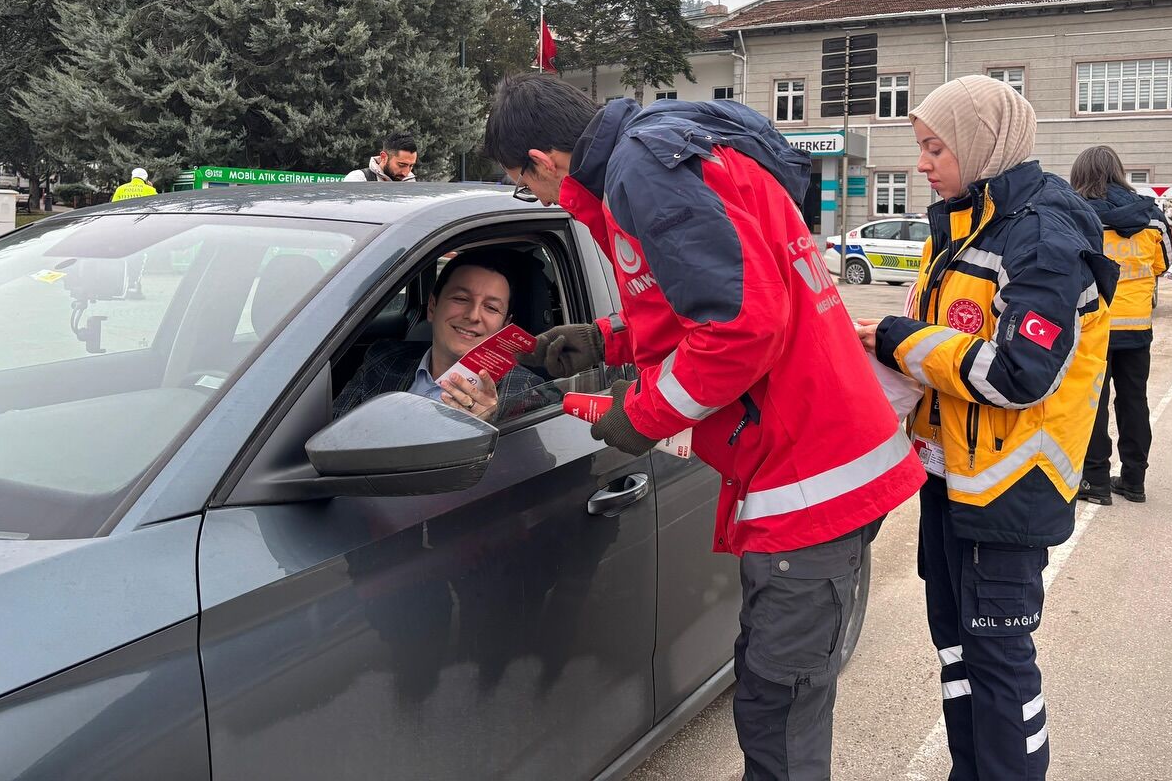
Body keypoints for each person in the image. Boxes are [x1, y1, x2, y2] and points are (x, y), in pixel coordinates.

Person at [483, 74, 923, 781]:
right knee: (769, 695)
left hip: (807, 474)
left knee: (778, 717)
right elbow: (697, 296)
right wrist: (605, 340)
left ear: (545, 159)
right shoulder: (670, 150)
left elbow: (740, 327)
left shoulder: (642, 172)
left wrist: (643, 416)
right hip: (809, 455)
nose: (535, 199)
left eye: (522, 184)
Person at [856, 74, 1116, 781]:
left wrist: (899, 340)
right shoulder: (969, 221)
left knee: (1000, 666)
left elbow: (1017, 374)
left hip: (1009, 494)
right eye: (921, 147)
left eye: (935, 147)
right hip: (953, 482)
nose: (923, 163)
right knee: (958, 652)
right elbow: (949, 342)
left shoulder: (1041, 235)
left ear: (980, 144)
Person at [1069, 146, 1172, 505]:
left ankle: (1095, 481)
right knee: (1134, 400)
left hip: (1092, 324)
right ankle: (1134, 480)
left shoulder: (1076, 215)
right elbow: (1163, 264)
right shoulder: (1152, 216)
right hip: (1137, 325)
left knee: (1093, 403)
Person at [333, 250, 541, 424]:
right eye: (460, 298)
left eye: (491, 307)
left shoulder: (527, 391)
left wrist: (487, 426)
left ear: (504, 327)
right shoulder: (384, 360)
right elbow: (331, 434)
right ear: (432, 306)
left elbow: (534, 467)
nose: (473, 315)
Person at [111, 168, 157, 299]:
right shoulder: (150, 190)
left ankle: (120, 286)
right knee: (139, 258)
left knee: (124, 258)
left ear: (132, 177)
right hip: (141, 231)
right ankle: (134, 286)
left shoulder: (120, 189)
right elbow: (156, 210)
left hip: (122, 231)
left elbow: (113, 209)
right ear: (146, 179)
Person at [344, 133, 418, 182]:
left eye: (411, 166)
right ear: (383, 157)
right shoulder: (358, 180)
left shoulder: (410, 181)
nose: (406, 173)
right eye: (401, 165)